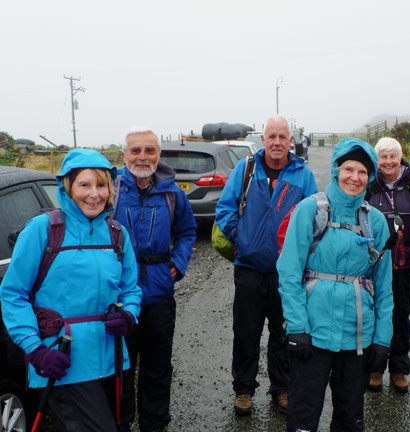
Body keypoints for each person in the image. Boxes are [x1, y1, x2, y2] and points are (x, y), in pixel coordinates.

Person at [0, 148, 141, 431]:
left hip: (113, 358)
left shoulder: (117, 234)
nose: (94, 194)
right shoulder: (43, 229)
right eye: (84, 185)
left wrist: (128, 315)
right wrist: (35, 350)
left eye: (101, 185)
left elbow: (131, 290)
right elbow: (13, 294)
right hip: (63, 362)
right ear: (67, 187)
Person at [277, 138, 393, 432]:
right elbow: (289, 273)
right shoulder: (309, 210)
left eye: (363, 172)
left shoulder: (376, 221)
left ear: (370, 177)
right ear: (335, 170)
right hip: (312, 333)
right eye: (348, 169)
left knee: (350, 413)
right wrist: (296, 328)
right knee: (303, 411)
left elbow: (384, 286)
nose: (354, 178)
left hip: (357, 334)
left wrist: (382, 338)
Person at [215, 114, 317, 415]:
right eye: (271, 136)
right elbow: (224, 209)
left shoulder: (303, 175)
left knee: (283, 333)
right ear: (263, 140)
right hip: (248, 269)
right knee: (246, 333)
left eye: (282, 137)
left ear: (291, 141)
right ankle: (243, 390)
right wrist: (242, 239)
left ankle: (282, 388)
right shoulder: (245, 168)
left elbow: (314, 217)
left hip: (287, 273)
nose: (276, 142)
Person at [115, 127, 197, 432]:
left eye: (149, 150)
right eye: (135, 150)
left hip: (159, 293)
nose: (142, 156)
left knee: (157, 366)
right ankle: (120, 422)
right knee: (119, 366)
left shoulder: (173, 193)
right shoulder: (109, 189)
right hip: (118, 296)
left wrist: (178, 263)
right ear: (123, 155)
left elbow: (188, 233)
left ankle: (154, 422)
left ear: (158, 155)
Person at [364, 137, 410, 393]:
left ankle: (399, 368)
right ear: (377, 160)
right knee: (374, 311)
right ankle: (375, 368)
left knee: (400, 314)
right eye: (383, 157)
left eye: (393, 156)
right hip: (374, 264)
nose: (388, 161)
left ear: (400, 157)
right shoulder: (369, 185)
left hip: (406, 264)